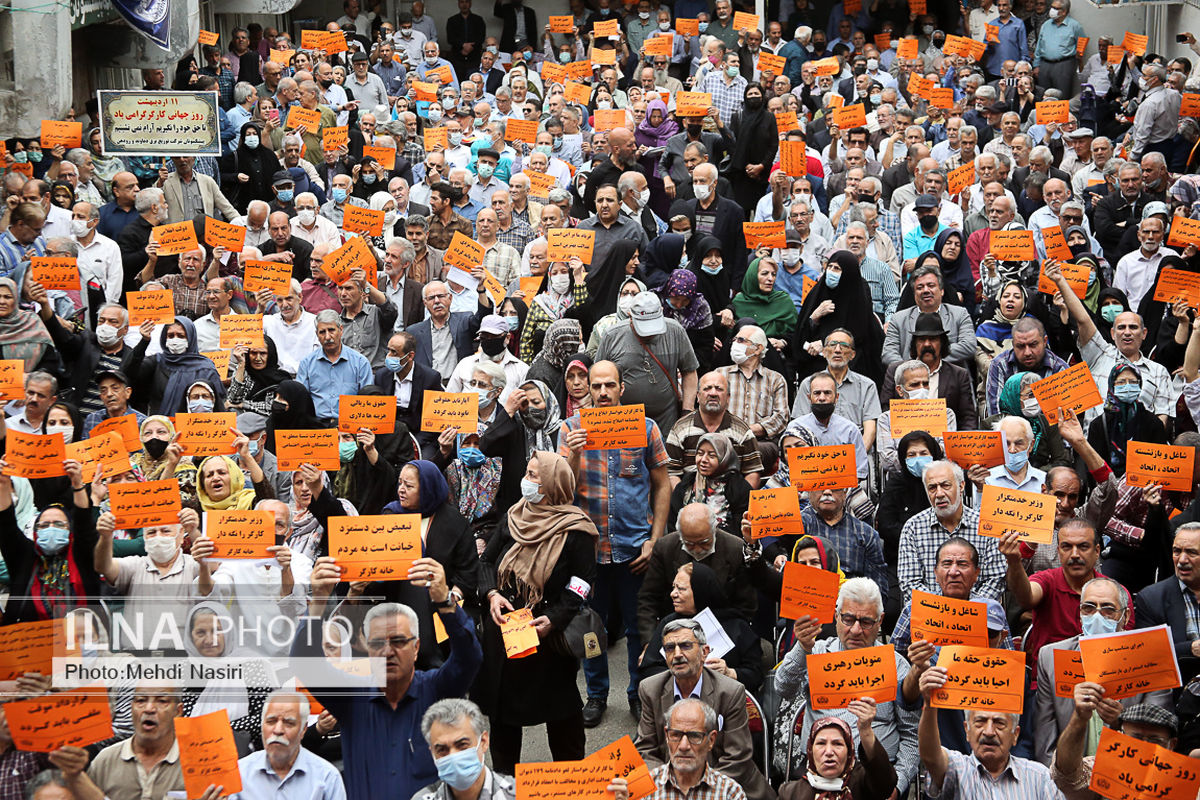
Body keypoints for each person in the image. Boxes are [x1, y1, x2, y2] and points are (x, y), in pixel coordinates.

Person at [290, 559, 482, 800]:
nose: (388, 651)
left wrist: (444, 601)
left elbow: (469, 657)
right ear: (368, 649)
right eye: (378, 643)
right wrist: (318, 602)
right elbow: (306, 665)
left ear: (416, 647)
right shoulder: (351, 699)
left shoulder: (436, 691)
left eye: (399, 641)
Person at [478, 451, 598, 771]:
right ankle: (505, 784)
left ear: (553, 486)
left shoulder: (576, 530)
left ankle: (571, 786)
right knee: (504, 720)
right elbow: (487, 561)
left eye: (534, 476)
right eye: (527, 473)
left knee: (562, 720)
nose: (526, 481)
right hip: (506, 636)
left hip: (547, 641)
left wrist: (556, 618)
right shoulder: (513, 516)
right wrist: (492, 594)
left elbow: (582, 583)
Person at [778, 578, 918, 795]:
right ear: (836, 616)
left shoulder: (896, 664)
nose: (855, 630)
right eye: (848, 619)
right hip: (818, 771)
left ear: (880, 620)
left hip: (876, 775)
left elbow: (912, 736)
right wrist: (802, 648)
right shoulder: (816, 653)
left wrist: (898, 785)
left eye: (866, 622)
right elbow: (782, 689)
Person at [1033, 576, 1173, 768]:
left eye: (1108, 610)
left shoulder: (1153, 659)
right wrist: (1063, 783)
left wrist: (1121, 722)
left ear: (1125, 617)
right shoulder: (1051, 657)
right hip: (1070, 779)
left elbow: (1158, 740)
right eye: (1088, 608)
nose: (1097, 616)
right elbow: (1045, 744)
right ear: (1080, 614)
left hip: (1126, 775)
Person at [633, 619, 775, 799]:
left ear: (704, 652)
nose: (677, 654)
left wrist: (699, 793)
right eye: (670, 648)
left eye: (685, 646)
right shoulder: (650, 689)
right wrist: (669, 788)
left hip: (726, 786)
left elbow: (737, 758)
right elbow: (645, 750)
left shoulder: (730, 691)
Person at [917, 668, 1065, 799]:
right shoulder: (957, 769)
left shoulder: (1039, 778)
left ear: (1015, 734)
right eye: (980, 722)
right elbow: (930, 755)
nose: (989, 732)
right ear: (967, 730)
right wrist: (929, 704)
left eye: (999, 723)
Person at [638, 560, 765, 693]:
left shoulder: (736, 626)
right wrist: (682, 674)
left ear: (700, 591)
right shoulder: (669, 624)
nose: (673, 594)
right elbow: (648, 670)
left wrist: (730, 673)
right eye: (673, 587)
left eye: (680, 589)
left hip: (726, 702)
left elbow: (755, 675)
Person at [50, 686, 186, 800]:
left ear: (178, 711)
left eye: (162, 701)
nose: (149, 708)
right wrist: (74, 776)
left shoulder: (194, 760)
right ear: (131, 708)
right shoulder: (105, 760)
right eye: (141, 700)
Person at [899, 460, 1007, 599]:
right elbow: (909, 582)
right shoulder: (913, 527)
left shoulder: (986, 524)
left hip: (978, 613)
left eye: (945, 486)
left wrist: (967, 610)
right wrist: (941, 610)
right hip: (929, 615)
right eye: (932, 488)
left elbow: (995, 579)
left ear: (961, 486)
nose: (939, 494)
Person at [595, 291, 699, 434]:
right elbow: (597, 376)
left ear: (661, 312)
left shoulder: (675, 331)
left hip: (666, 417)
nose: (649, 333)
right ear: (630, 316)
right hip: (624, 419)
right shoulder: (612, 336)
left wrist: (687, 411)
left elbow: (690, 371)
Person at [610, 699, 748, 800]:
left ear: (711, 740)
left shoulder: (730, 793)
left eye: (694, 736)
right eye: (675, 735)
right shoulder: (641, 791)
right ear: (666, 736)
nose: (683, 746)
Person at [230, 690, 346, 799]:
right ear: (262, 725)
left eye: (289, 723)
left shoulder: (327, 777)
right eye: (271, 721)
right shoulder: (239, 774)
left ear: (303, 730)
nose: (278, 730)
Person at [793, 251, 885, 384]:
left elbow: (859, 331)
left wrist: (826, 343)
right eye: (829, 267)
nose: (831, 271)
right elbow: (800, 336)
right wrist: (814, 317)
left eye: (837, 268)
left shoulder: (858, 291)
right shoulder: (819, 291)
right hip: (816, 360)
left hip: (852, 358)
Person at [777, 708, 898, 800]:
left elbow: (885, 783)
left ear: (849, 752)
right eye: (821, 743)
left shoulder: (863, 782)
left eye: (837, 744)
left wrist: (865, 730)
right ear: (810, 751)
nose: (829, 752)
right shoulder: (790, 793)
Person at [1132, 524, 1200, 685]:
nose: (1182, 560)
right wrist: (1191, 648)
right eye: (1177, 551)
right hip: (1179, 693)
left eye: (1191, 552)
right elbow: (1146, 656)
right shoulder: (1151, 599)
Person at [415, 699, 515, 800]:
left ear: (484, 742)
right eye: (442, 749)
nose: (453, 756)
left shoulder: (521, 794)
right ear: (432, 752)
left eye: (462, 745)